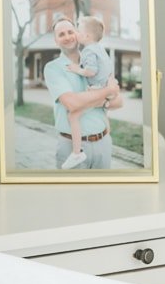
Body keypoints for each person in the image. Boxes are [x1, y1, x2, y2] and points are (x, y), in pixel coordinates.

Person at [41, 15, 120, 170]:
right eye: (61, 34)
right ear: (56, 40)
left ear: (78, 33)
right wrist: (107, 93)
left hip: (103, 143)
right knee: (72, 194)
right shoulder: (53, 68)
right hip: (71, 146)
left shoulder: (94, 59)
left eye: (70, 31)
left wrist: (105, 97)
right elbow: (72, 104)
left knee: (104, 193)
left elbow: (119, 101)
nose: (67, 37)